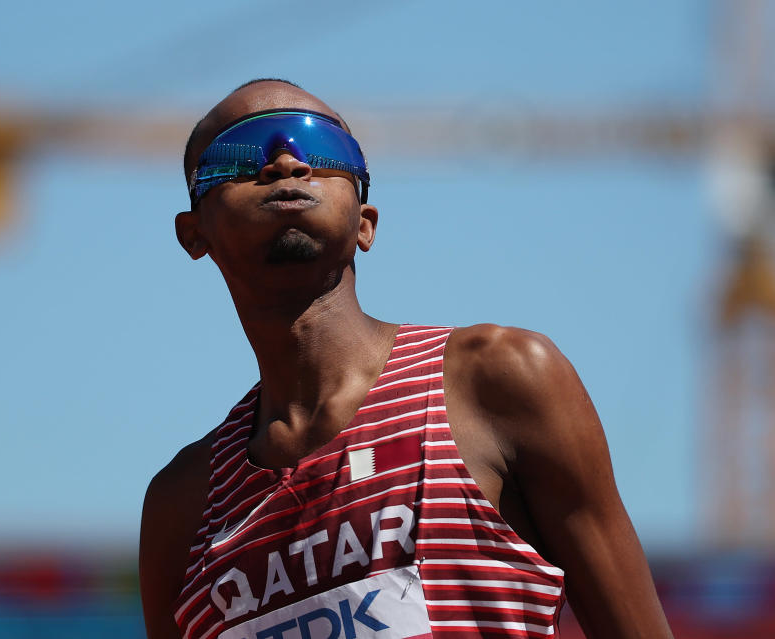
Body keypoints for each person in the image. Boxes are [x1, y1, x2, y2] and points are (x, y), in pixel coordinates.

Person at [140, 79, 673, 639]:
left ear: (366, 222)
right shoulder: (185, 506)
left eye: (321, 149)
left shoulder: (494, 381)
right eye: (239, 154)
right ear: (193, 233)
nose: (286, 160)